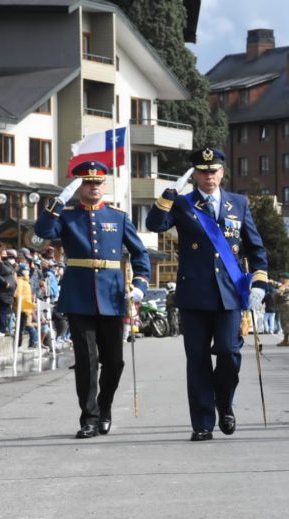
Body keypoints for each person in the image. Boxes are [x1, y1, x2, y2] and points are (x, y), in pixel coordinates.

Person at [146, 147, 269, 442]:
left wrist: (260, 283)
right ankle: (202, 421)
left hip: (228, 293)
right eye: (203, 172)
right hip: (195, 293)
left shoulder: (238, 204)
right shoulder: (183, 203)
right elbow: (154, 225)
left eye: (214, 171)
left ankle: (224, 401)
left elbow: (256, 248)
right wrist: (166, 197)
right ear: (194, 175)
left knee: (229, 352)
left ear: (222, 172)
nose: (209, 177)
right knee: (198, 359)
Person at [34, 160, 151, 439]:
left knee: (115, 362)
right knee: (86, 360)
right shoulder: (67, 216)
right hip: (79, 296)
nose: (94, 187)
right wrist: (57, 204)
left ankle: (104, 408)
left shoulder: (118, 217)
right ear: (79, 186)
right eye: (88, 182)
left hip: (111, 296)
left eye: (98, 182)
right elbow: (41, 232)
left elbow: (139, 254)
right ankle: (88, 417)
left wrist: (140, 284)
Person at [275, 272, 289, 346]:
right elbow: (279, 286)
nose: (280, 279)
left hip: (285, 304)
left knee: (285, 322)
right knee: (283, 322)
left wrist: (277, 292)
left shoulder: (287, 286)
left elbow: (279, 292)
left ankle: (286, 340)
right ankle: (285, 339)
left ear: (285, 279)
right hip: (283, 304)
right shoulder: (285, 285)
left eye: (282, 278)